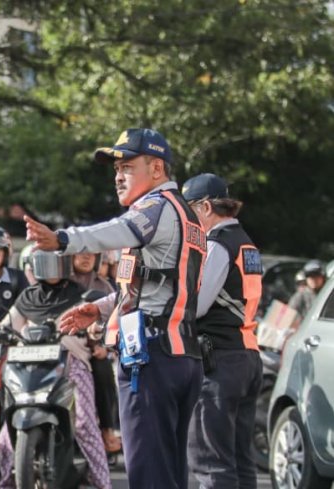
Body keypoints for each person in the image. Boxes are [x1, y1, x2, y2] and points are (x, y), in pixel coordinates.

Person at [27, 128, 206, 489]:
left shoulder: (154, 208)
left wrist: (63, 239)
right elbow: (161, 286)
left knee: (147, 472)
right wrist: (102, 308)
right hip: (180, 354)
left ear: (156, 169)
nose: (118, 177)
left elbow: (116, 231)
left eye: (127, 166)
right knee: (168, 471)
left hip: (152, 355)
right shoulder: (186, 215)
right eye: (115, 169)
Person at [0, 250, 112, 489]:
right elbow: (9, 324)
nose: (50, 268)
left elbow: (94, 325)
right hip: (27, 365)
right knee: (8, 427)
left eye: (55, 262)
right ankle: (8, 480)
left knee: (84, 423)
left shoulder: (79, 295)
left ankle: (102, 481)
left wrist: (95, 332)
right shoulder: (27, 297)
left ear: (64, 264)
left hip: (71, 361)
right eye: (44, 262)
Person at [180, 173, 263, 489]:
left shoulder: (217, 245)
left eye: (189, 211)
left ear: (204, 207)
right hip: (247, 355)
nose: (188, 220)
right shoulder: (247, 244)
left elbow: (197, 305)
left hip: (220, 360)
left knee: (211, 463)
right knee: (241, 463)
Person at [70, 252, 121, 455]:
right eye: (81, 254)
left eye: (92, 255)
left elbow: (116, 318)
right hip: (65, 348)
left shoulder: (105, 287)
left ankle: (107, 430)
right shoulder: (62, 282)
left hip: (94, 349)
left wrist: (104, 346)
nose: (86, 258)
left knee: (103, 369)